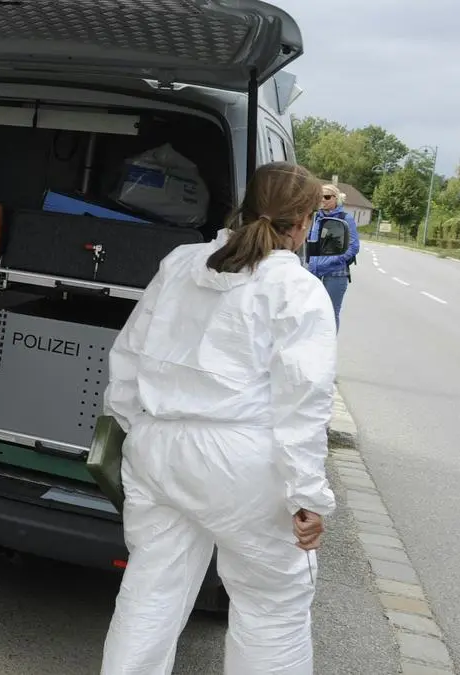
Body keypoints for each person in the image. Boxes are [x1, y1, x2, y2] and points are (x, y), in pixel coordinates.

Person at [99, 162, 338, 674]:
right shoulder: (296, 289)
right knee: (270, 610)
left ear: (243, 207)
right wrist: (307, 494)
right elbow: (303, 401)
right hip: (242, 462)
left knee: (149, 594)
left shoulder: (182, 263)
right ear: (303, 223)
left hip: (159, 447)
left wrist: (131, 427)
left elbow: (129, 354)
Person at [308, 184, 360, 330]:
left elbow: (354, 247)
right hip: (313, 273)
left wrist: (331, 260)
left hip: (335, 274)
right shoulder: (315, 218)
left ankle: (329, 342)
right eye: (320, 197)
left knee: (330, 313)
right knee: (310, 312)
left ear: (336, 199)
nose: (322, 200)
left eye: (326, 197)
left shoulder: (345, 218)